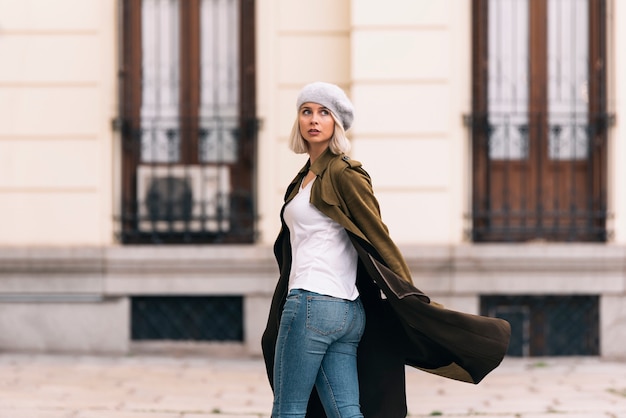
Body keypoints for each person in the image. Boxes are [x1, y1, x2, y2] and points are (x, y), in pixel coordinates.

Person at [262, 82, 511, 418]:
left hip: (313, 305)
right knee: (346, 411)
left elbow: (379, 238)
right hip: (339, 311)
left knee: (288, 409)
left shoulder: (343, 173)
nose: (314, 119)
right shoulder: (304, 178)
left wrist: (408, 296)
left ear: (336, 122)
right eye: (307, 111)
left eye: (324, 112)